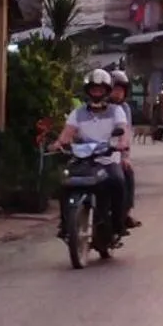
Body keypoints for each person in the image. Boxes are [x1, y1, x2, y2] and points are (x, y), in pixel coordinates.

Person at [54, 68, 130, 235]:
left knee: (118, 181)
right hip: (83, 160)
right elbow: (67, 133)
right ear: (88, 91)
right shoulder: (78, 113)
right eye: (93, 89)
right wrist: (58, 143)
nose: (97, 92)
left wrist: (121, 144)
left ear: (106, 91)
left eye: (100, 89)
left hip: (107, 159)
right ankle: (65, 223)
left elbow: (122, 130)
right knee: (65, 183)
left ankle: (119, 223)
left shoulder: (116, 111)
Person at [108, 69, 140, 229]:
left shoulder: (125, 109)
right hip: (93, 150)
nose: (117, 93)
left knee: (127, 173)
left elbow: (126, 132)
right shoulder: (97, 105)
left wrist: (125, 156)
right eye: (114, 89)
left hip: (115, 152)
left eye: (120, 90)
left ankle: (125, 213)